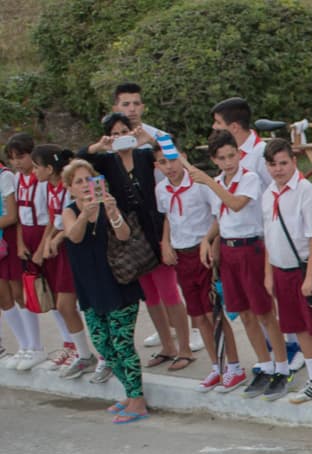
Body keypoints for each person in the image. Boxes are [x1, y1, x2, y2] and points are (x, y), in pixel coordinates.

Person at [84, 114, 195, 372]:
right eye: (115, 133)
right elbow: (79, 159)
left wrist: (148, 138)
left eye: (125, 131)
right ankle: (167, 346)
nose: (121, 136)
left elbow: (172, 151)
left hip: (155, 232)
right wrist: (100, 146)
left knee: (169, 293)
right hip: (130, 240)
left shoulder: (146, 156)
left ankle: (185, 348)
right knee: (151, 297)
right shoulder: (107, 161)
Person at [189, 129, 291, 396]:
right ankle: (265, 365)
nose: (228, 162)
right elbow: (219, 218)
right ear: (214, 160)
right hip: (229, 250)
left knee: (264, 312)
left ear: (238, 153)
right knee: (244, 314)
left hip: (251, 248)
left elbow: (235, 204)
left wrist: (210, 184)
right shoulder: (218, 181)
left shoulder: (250, 178)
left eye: (231, 155)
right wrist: (206, 240)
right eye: (221, 158)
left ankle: (282, 368)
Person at [60, 158, 148, 423]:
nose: (86, 185)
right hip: (90, 288)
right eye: (79, 182)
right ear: (70, 188)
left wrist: (112, 213)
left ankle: (138, 401)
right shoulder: (70, 211)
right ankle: (130, 394)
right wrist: (86, 214)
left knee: (122, 344)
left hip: (118, 285)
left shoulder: (111, 204)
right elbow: (74, 237)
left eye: (89, 179)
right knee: (103, 346)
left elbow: (124, 235)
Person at [154, 147, 247, 393]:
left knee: (213, 313)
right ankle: (216, 366)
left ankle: (235, 366)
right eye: (163, 162)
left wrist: (212, 246)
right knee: (198, 315)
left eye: (173, 160)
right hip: (181, 256)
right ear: (156, 166)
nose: (170, 166)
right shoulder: (161, 189)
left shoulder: (200, 184)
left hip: (202, 254)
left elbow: (219, 216)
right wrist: (166, 242)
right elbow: (168, 217)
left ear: (182, 157)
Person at [261, 138, 312, 404]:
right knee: (298, 327)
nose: (278, 169)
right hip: (280, 270)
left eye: (283, 163)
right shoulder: (268, 193)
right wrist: (269, 273)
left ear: (294, 163)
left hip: (303, 269)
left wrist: (310, 277)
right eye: (272, 164)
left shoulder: (306, 192)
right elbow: (269, 236)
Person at [31, 145, 97, 378]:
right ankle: (83, 354)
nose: (33, 170)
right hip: (62, 251)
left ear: (50, 168)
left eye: (37, 166)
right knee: (64, 305)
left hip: (74, 251)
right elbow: (54, 220)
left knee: (85, 304)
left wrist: (56, 239)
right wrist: (45, 242)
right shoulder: (49, 188)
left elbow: (69, 219)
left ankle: (102, 355)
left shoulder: (66, 189)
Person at [6, 133, 49, 371]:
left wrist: (44, 245)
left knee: (55, 296)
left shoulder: (41, 179)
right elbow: (21, 219)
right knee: (25, 293)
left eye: (21, 156)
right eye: (12, 158)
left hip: (43, 236)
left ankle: (69, 346)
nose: (17, 162)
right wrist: (21, 244)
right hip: (27, 239)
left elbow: (50, 215)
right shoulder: (16, 179)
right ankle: (31, 346)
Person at [210, 97, 268, 183]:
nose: (214, 126)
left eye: (218, 122)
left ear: (234, 127)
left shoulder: (262, 153)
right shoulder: (228, 149)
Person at [0, 156, 18, 360]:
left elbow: (11, 216)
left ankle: (29, 345)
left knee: (12, 295)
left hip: (7, 240)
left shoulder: (5, 176)